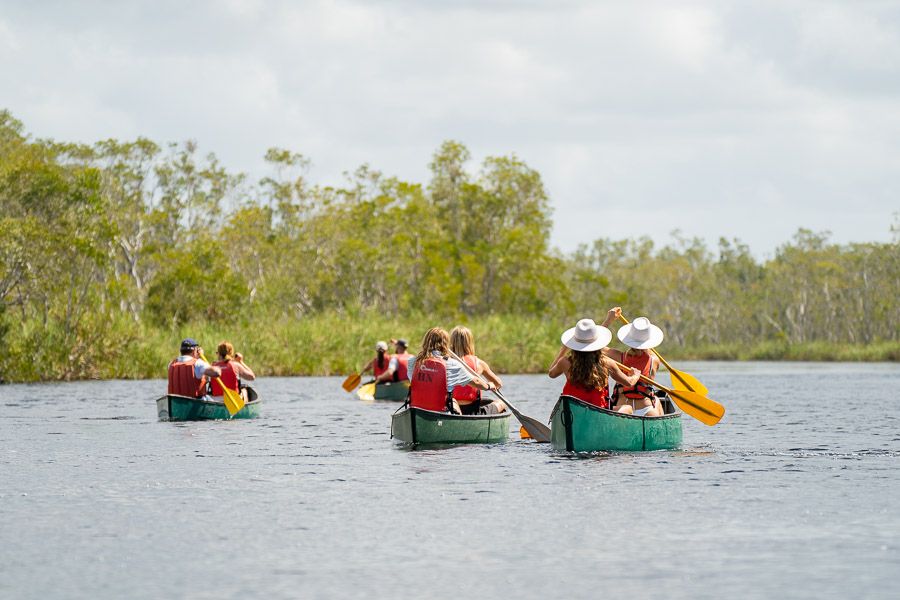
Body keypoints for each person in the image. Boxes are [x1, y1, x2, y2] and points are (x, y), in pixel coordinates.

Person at [548, 318, 640, 409]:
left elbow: (551, 374)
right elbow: (629, 383)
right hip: (598, 411)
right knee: (628, 408)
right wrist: (635, 375)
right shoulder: (608, 363)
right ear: (597, 344)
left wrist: (563, 349)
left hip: (572, 409)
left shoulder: (565, 362)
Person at [407, 327, 500, 414]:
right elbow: (475, 381)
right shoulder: (452, 364)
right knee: (453, 401)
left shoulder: (412, 362)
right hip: (442, 410)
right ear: (446, 344)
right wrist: (488, 386)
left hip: (418, 409)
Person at [605, 313, 665, 417]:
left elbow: (592, 346)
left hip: (623, 408)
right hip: (647, 410)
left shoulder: (619, 357)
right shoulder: (655, 360)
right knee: (657, 401)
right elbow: (646, 355)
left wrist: (608, 320)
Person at [449, 325, 504, 415]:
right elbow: (498, 384)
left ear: (452, 342)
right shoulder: (479, 364)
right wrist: (489, 385)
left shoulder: (446, 362)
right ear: (469, 343)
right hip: (473, 412)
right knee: (502, 403)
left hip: (451, 409)